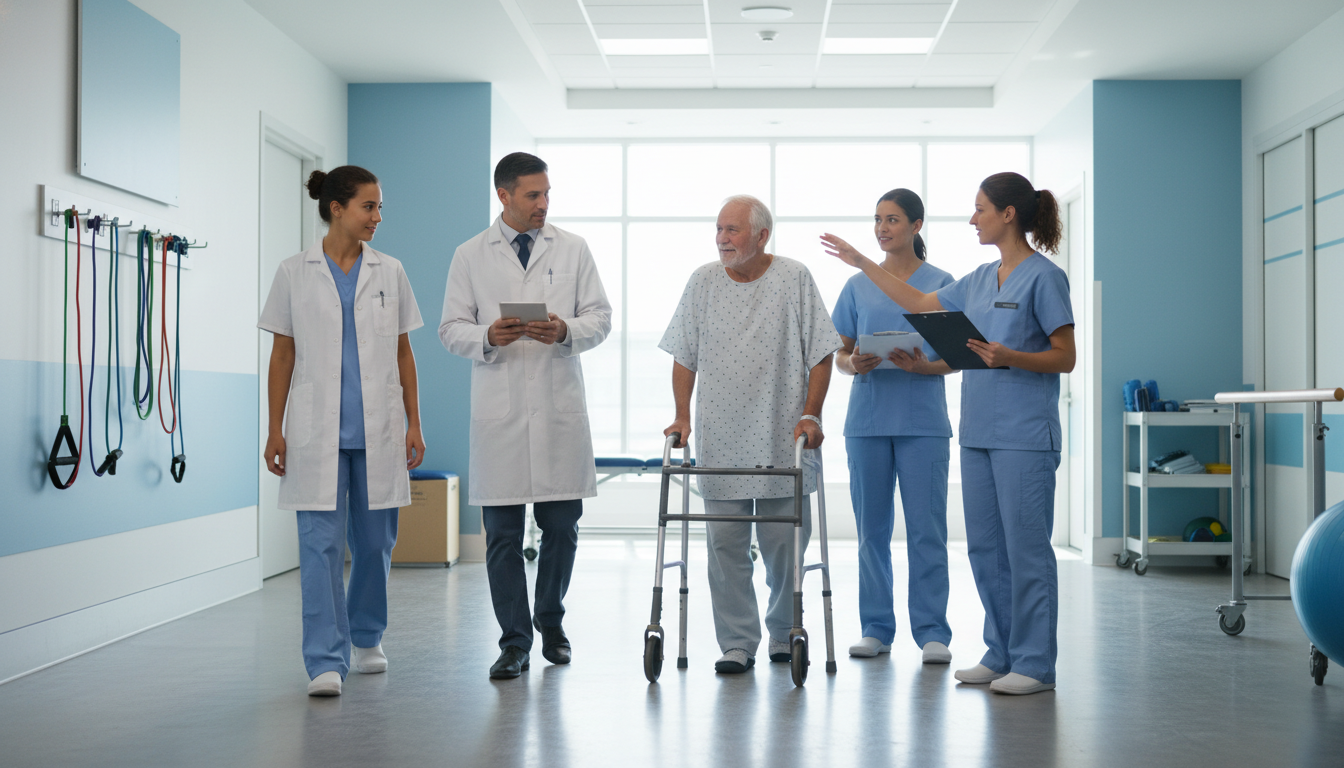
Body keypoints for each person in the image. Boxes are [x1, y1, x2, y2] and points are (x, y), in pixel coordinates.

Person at [822, 172, 1074, 696]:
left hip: (1024, 432)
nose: (972, 218)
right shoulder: (980, 279)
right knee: (986, 549)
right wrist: (863, 266)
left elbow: (1065, 356)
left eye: (980, 209)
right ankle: (1000, 653)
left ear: (1008, 214)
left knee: (1025, 551)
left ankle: (1034, 664)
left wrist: (1011, 357)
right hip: (978, 432)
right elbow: (920, 305)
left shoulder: (1044, 277)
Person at [439, 152, 612, 680]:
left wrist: (564, 331)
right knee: (503, 536)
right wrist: (487, 337)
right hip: (502, 415)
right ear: (505, 196)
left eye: (547, 194)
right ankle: (514, 641)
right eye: (533, 195)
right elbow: (451, 329)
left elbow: (600, 319)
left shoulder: (574, 249)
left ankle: (550, 624)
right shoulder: (470, 255)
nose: (543, 204)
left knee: (562, 527)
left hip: (557, 409)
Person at [259, 165, 427, 697]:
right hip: (314, 435)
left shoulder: (390, 270)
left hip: (377, 430)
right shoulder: (294, 271)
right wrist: (275, 428)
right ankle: (325, 660)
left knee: (375, 544)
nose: (377, 216)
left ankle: (367, 635)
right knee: (320, 548)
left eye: (379, 207)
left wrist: (414, 423)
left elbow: (404, 351)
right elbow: (282, 352)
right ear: (337, 208)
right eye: (368, 207)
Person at [661, 194, 841, 674]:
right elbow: (684, 352)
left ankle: (784, 632)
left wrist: (812, 414)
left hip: (783, 435)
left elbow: (822, 352)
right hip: (722, 437)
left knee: (784, 547)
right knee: (724, 547)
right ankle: (737, 642)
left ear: (762, 235)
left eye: (733, 230)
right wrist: (682, 415)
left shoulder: (794, 277)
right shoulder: (702, 282)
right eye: (719, 229)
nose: (722, 239)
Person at [831, 189, 956, 664]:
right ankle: (876, 627)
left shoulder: (941, 283)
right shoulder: (856, 286)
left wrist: (926, 366)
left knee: (927, 530)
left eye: (894, 220)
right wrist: (852, 364)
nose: (883, 228)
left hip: (923, 423)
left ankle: (932, 632)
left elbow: (957, 358)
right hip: (866, 423)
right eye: (878, 220)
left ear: (916, 226)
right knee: (872, 532)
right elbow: (837, 354)